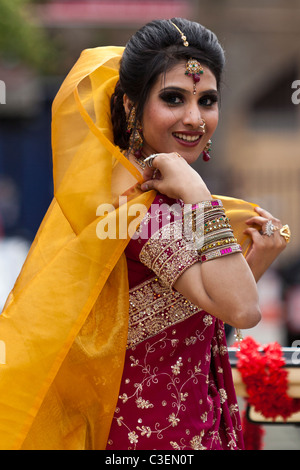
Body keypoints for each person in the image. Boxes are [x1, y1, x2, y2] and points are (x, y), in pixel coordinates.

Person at [0, 18, 290, 450]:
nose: (195, 118)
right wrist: (200, 196)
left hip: (191, 424)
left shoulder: (150, 197)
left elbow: (206, 314)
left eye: (207, 100)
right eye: (173, 98)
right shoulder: (138, 208)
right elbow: (246, 311)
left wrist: (256, 261)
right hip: (156, 438)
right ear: (132, 106)